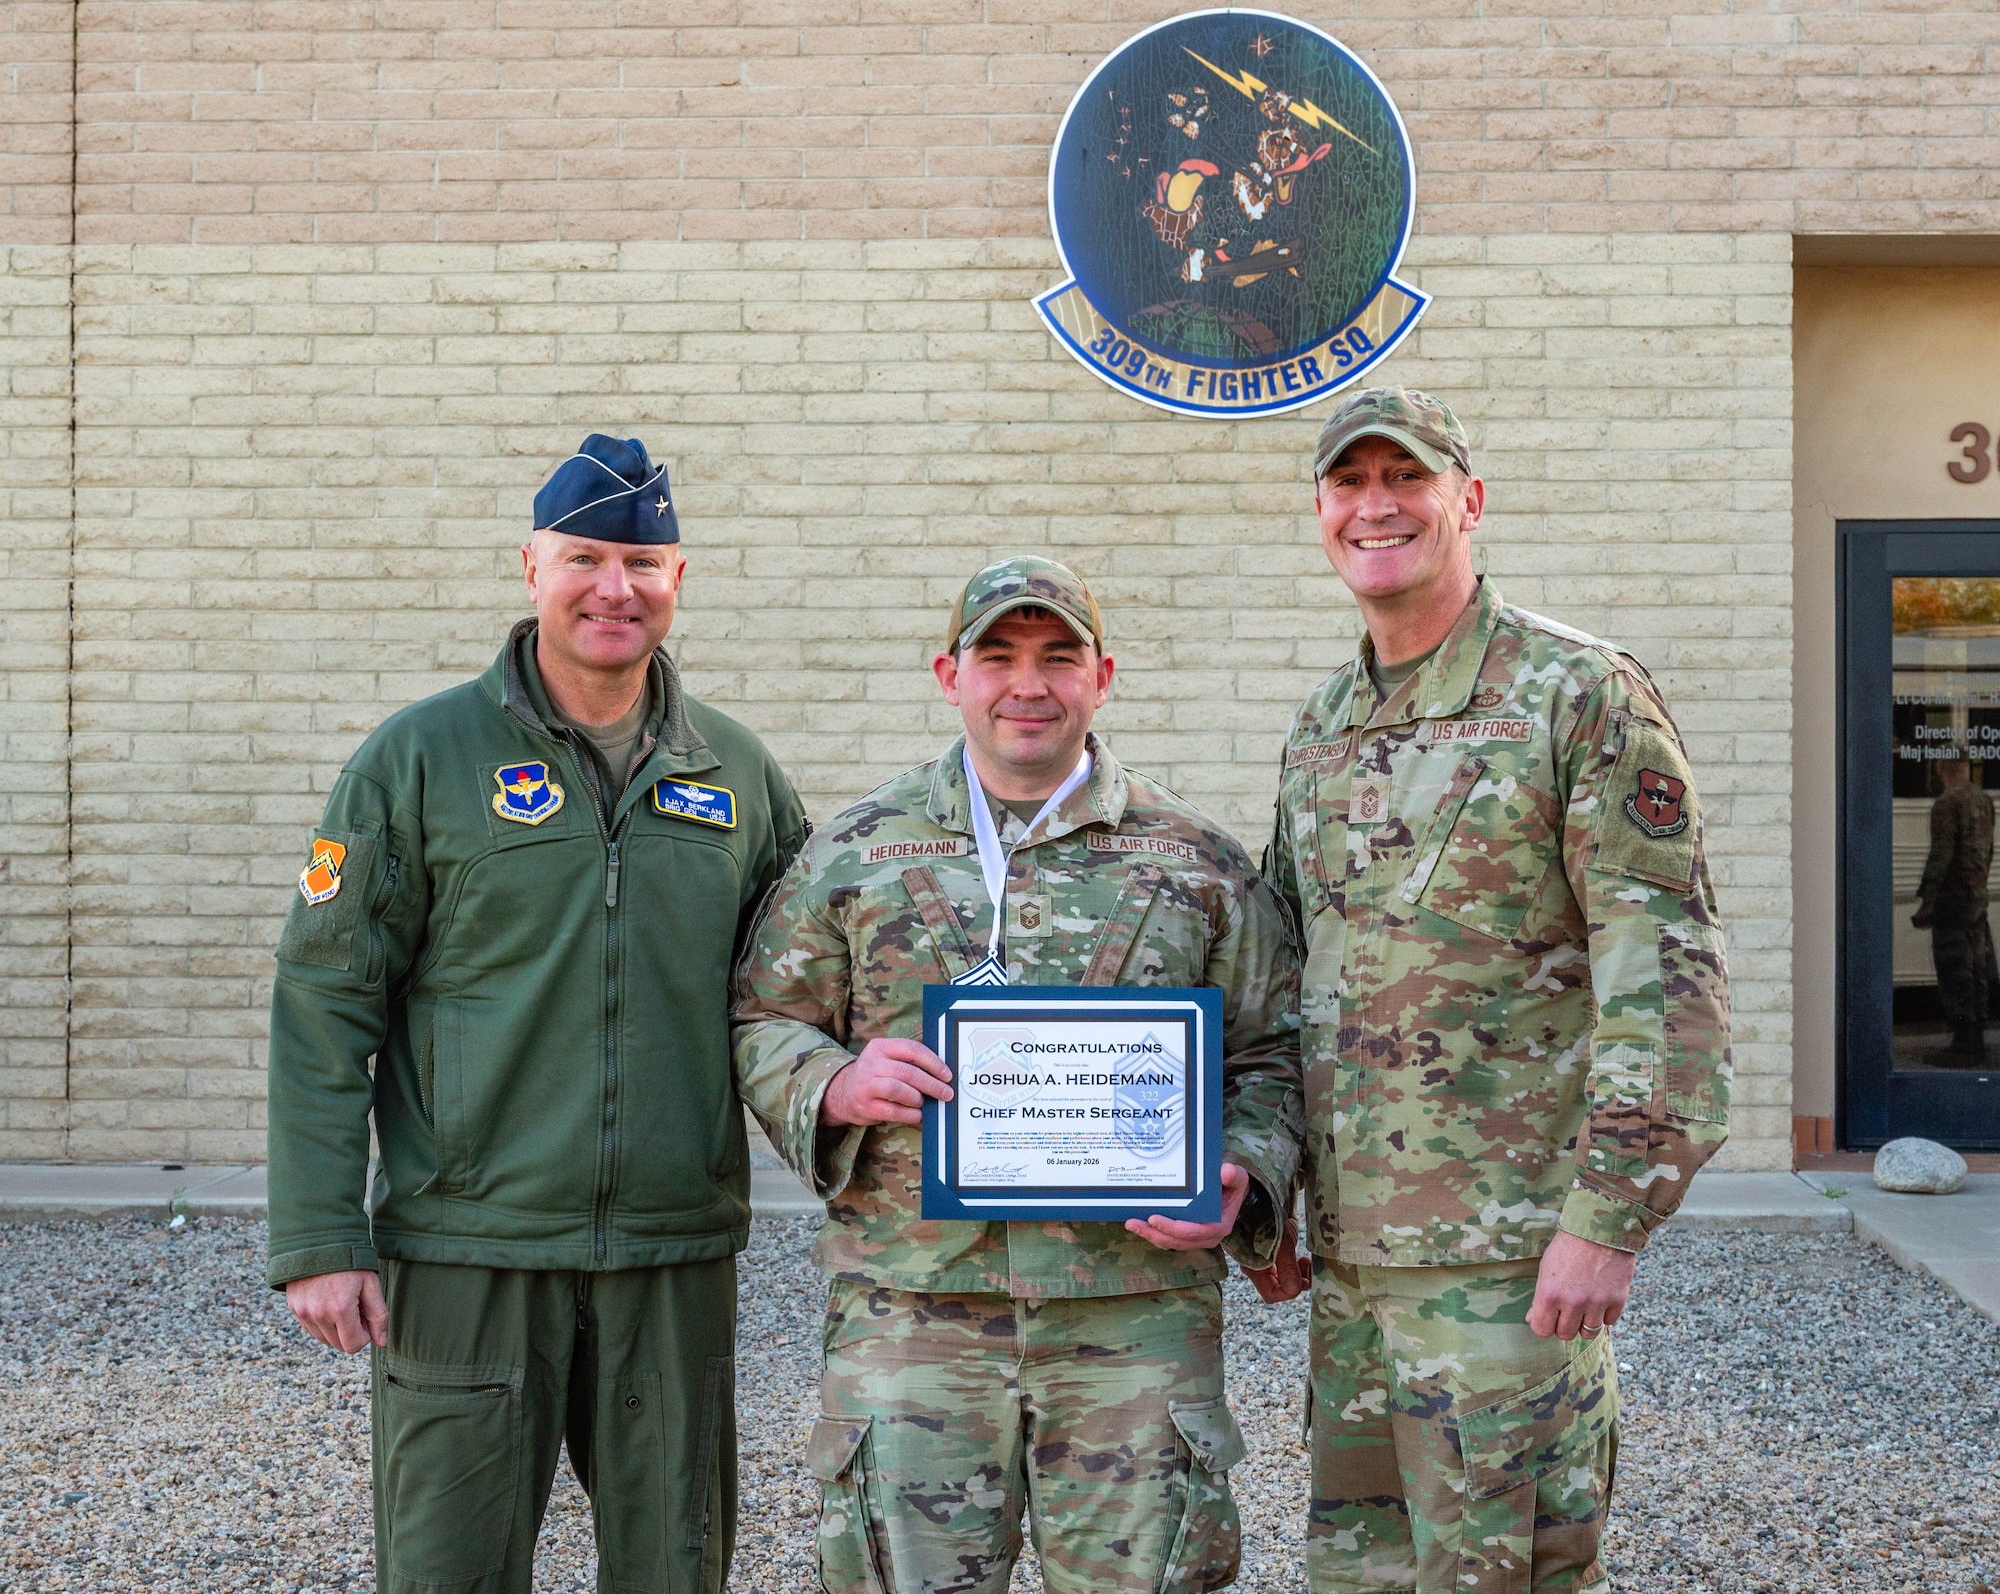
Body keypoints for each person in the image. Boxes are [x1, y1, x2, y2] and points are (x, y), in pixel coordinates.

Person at [265, 434, 807, 1594]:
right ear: (530, 567)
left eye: (642, 562)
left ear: (678, 579)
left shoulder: (739, 775)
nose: (614, 587)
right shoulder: (415, 761)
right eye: (585, 557)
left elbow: (805, 1001)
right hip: (467, 1247)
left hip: (669, 1252)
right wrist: (319, 1236)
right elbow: (324, 1001)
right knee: (446, 1569)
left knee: (675, 1568)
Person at [730, 556, 1304, 1594]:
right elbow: (765, 1013)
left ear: (1103, 674)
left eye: (1057, 657)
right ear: (950, 674)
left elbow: (1274, 1046)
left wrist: (1241, 1167)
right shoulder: (856, 852)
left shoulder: (1194, 862)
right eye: (997, 657)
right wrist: (833, 1082)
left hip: (1132, 1312)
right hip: (912, 1308)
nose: (1026, 685)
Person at [1251, 388, 1732, 1594]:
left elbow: (1661, 970)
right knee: (1356, 1575)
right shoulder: (1322, 722)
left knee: (1503, 1573)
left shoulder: (1578, 696)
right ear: (1318, 514)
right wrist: (1269, 1194)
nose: (1376, 506)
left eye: (1404, 479)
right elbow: (1287, 973)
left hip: (1507, 1269)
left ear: (1465, 500)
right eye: (1347, 483)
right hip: (1354, 1267)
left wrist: (1607, 1215)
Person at [1912, 748, 1998, 1067]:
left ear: (1941, 767)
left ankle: (1962, 1045)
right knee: (1977, 966)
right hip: (1976, 895)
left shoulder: (1947, 803)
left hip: (1953, 899)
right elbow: (1988, 851)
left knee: (1954, 968)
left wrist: (1927, 903)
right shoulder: (1984, 800)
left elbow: (1941, 856)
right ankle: (1977, 1039)